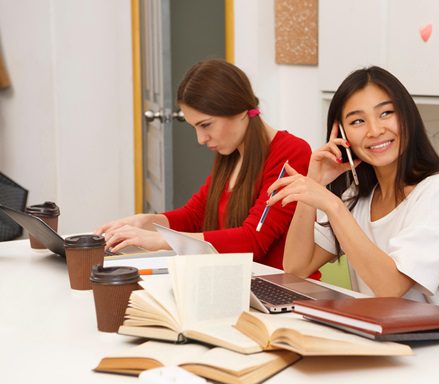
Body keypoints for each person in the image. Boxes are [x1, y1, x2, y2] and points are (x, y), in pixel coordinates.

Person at [267, 66, 439, 331]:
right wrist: (314, 184)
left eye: (386, 113)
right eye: (357, 121)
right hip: (393, 335)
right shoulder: (357, 197)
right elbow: (296, 267)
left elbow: (391, 287)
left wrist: (331, 205)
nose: (375, 130)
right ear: (342, 135)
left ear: (407, 118)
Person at [96, 59, 313, 274]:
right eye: (194, 127)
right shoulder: (231, 154)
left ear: (239, 110)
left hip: (282, 291)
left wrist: (162, 239)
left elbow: (253, 240)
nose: (201, 139)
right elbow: (194, 216)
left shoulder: (292, 153)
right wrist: (147, 222)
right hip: (240, 283)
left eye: (206, 125)